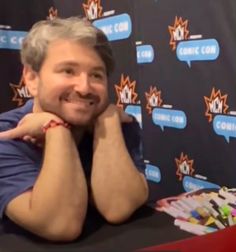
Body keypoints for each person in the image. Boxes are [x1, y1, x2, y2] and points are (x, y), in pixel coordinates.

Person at [0, 17, 149, 241]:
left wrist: (107, 120)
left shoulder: (117, 125)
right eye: (68, 71)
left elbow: (118, 207)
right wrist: (57, 129)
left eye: (96, 75)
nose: (85, 87)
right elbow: (59, 226)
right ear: (32, 79)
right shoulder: (5, 136)